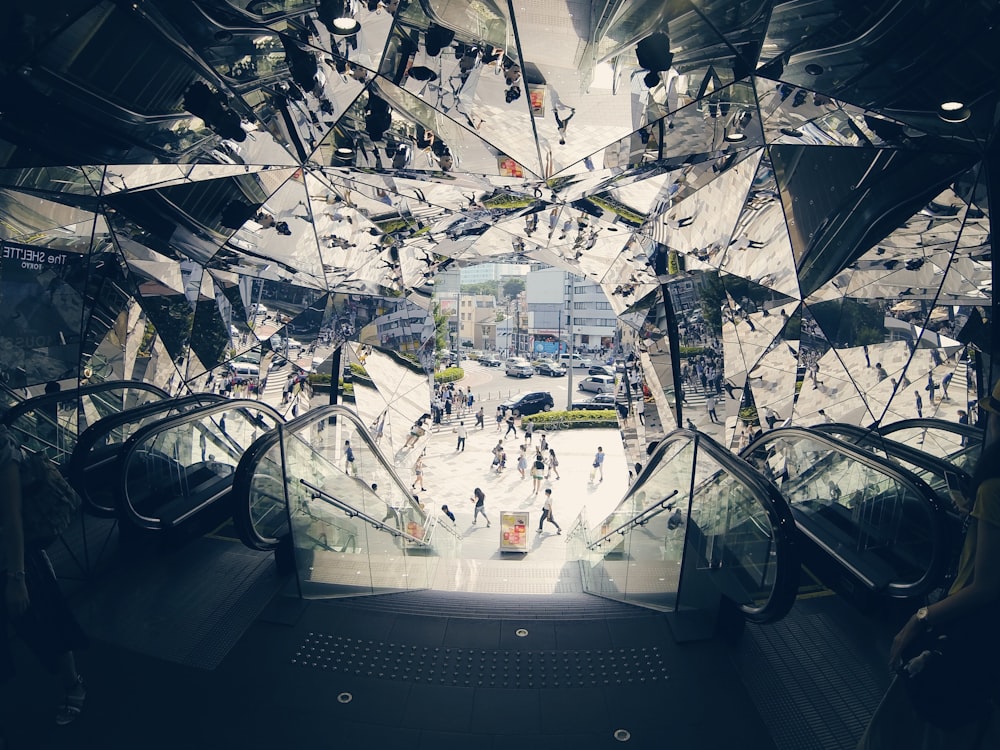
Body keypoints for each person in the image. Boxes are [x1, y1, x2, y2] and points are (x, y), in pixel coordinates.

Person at [855, 379, 1000, 749]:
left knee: (905, 728)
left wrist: (920, 618)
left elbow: (986, 584)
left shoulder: (994, 487)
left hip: (967, 627)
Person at [0, 425, 89, 731]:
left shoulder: (1, 445)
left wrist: (16, 577)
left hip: (15, 558)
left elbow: (11, 517)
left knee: (47, 622)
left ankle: (73, 684)